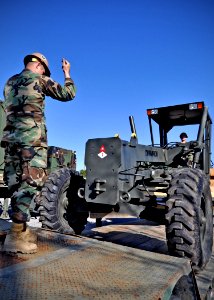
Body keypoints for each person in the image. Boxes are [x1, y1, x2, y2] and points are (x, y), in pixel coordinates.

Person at [1, 52, 76, 254]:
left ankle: (22, 230)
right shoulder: (40, 79)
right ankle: (16, 237)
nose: (44, 71)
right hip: (31, 143)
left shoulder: (9, 83)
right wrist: (67, 74)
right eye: (44, 68)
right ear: (39, 66)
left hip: (10, 143)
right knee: (30, 185)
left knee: (16, 183)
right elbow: (68, 94)